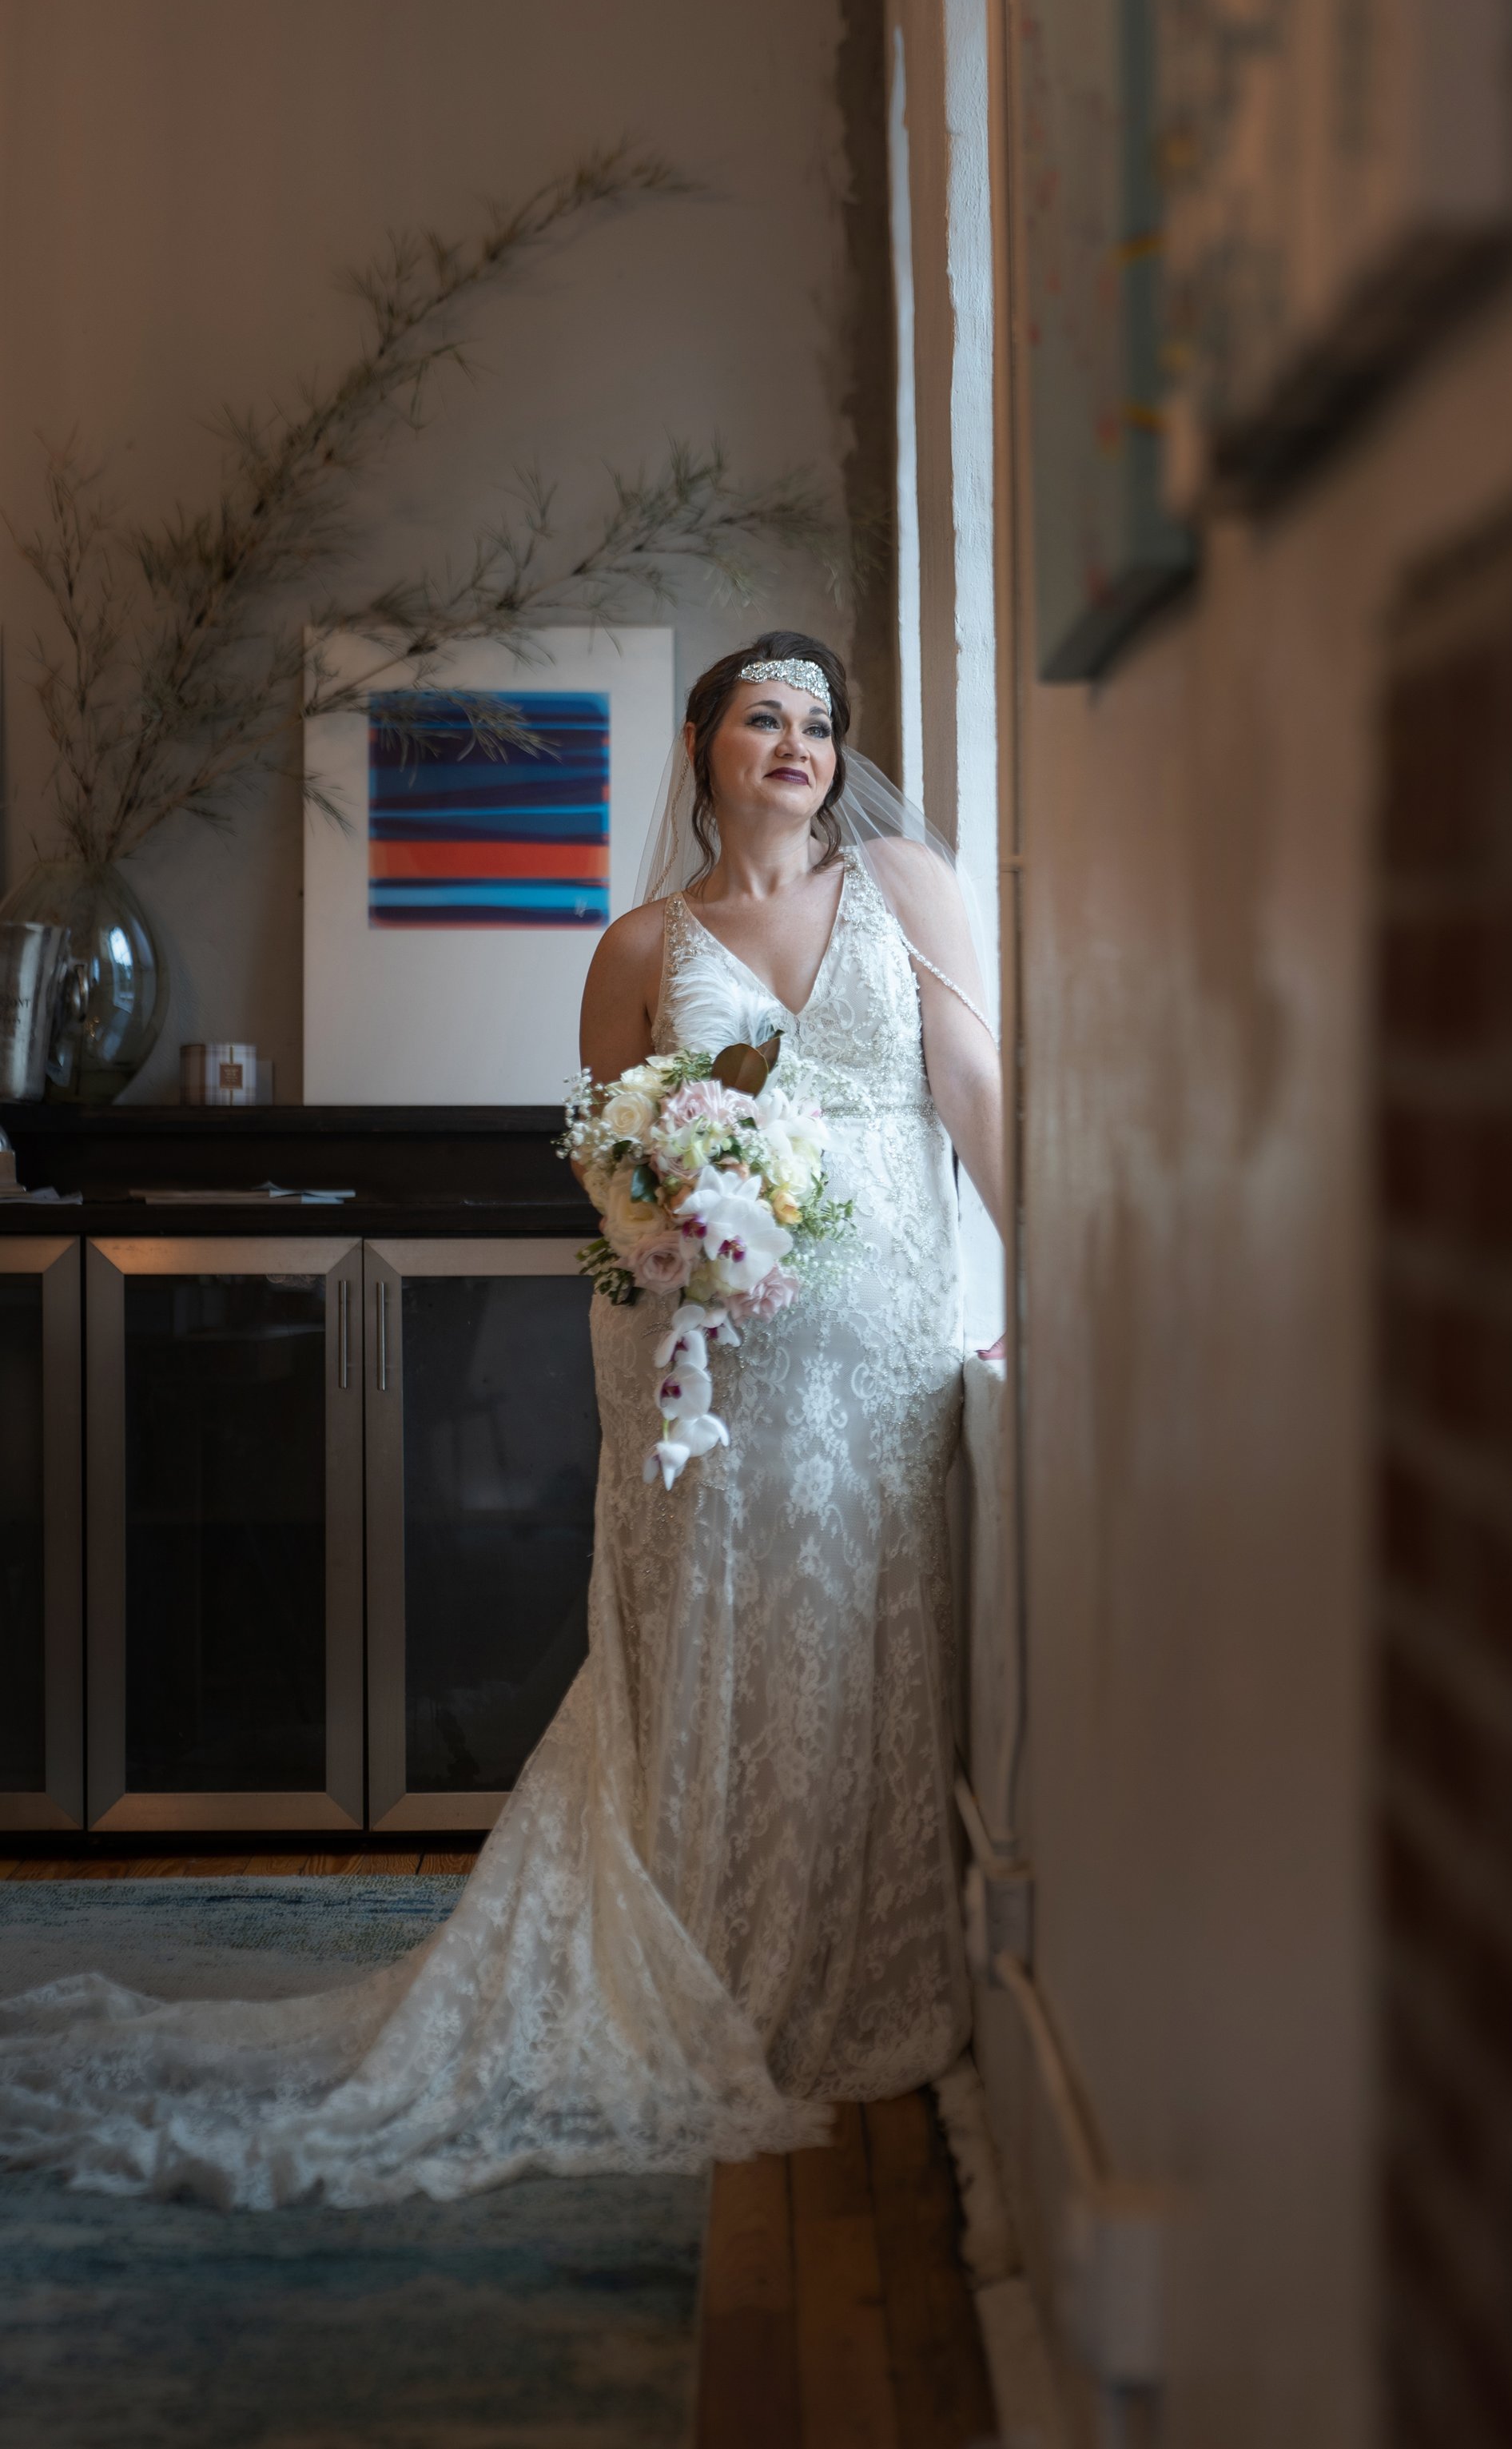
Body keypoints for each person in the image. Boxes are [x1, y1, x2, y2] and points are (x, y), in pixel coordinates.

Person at [0, 632, 1001, 2206]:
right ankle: (701, 1962)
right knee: (714, 1652)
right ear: (702, 743)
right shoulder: (641, 945)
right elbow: (613, 1168)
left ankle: (833, 1959)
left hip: (878, 1365)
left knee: (855, 1643)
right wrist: (677, 1227)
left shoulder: (903, 887)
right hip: (706, 1370)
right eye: (764, 717)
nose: (799, 743)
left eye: (819, 721)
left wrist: (1056, 1279)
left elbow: (977, 1095)